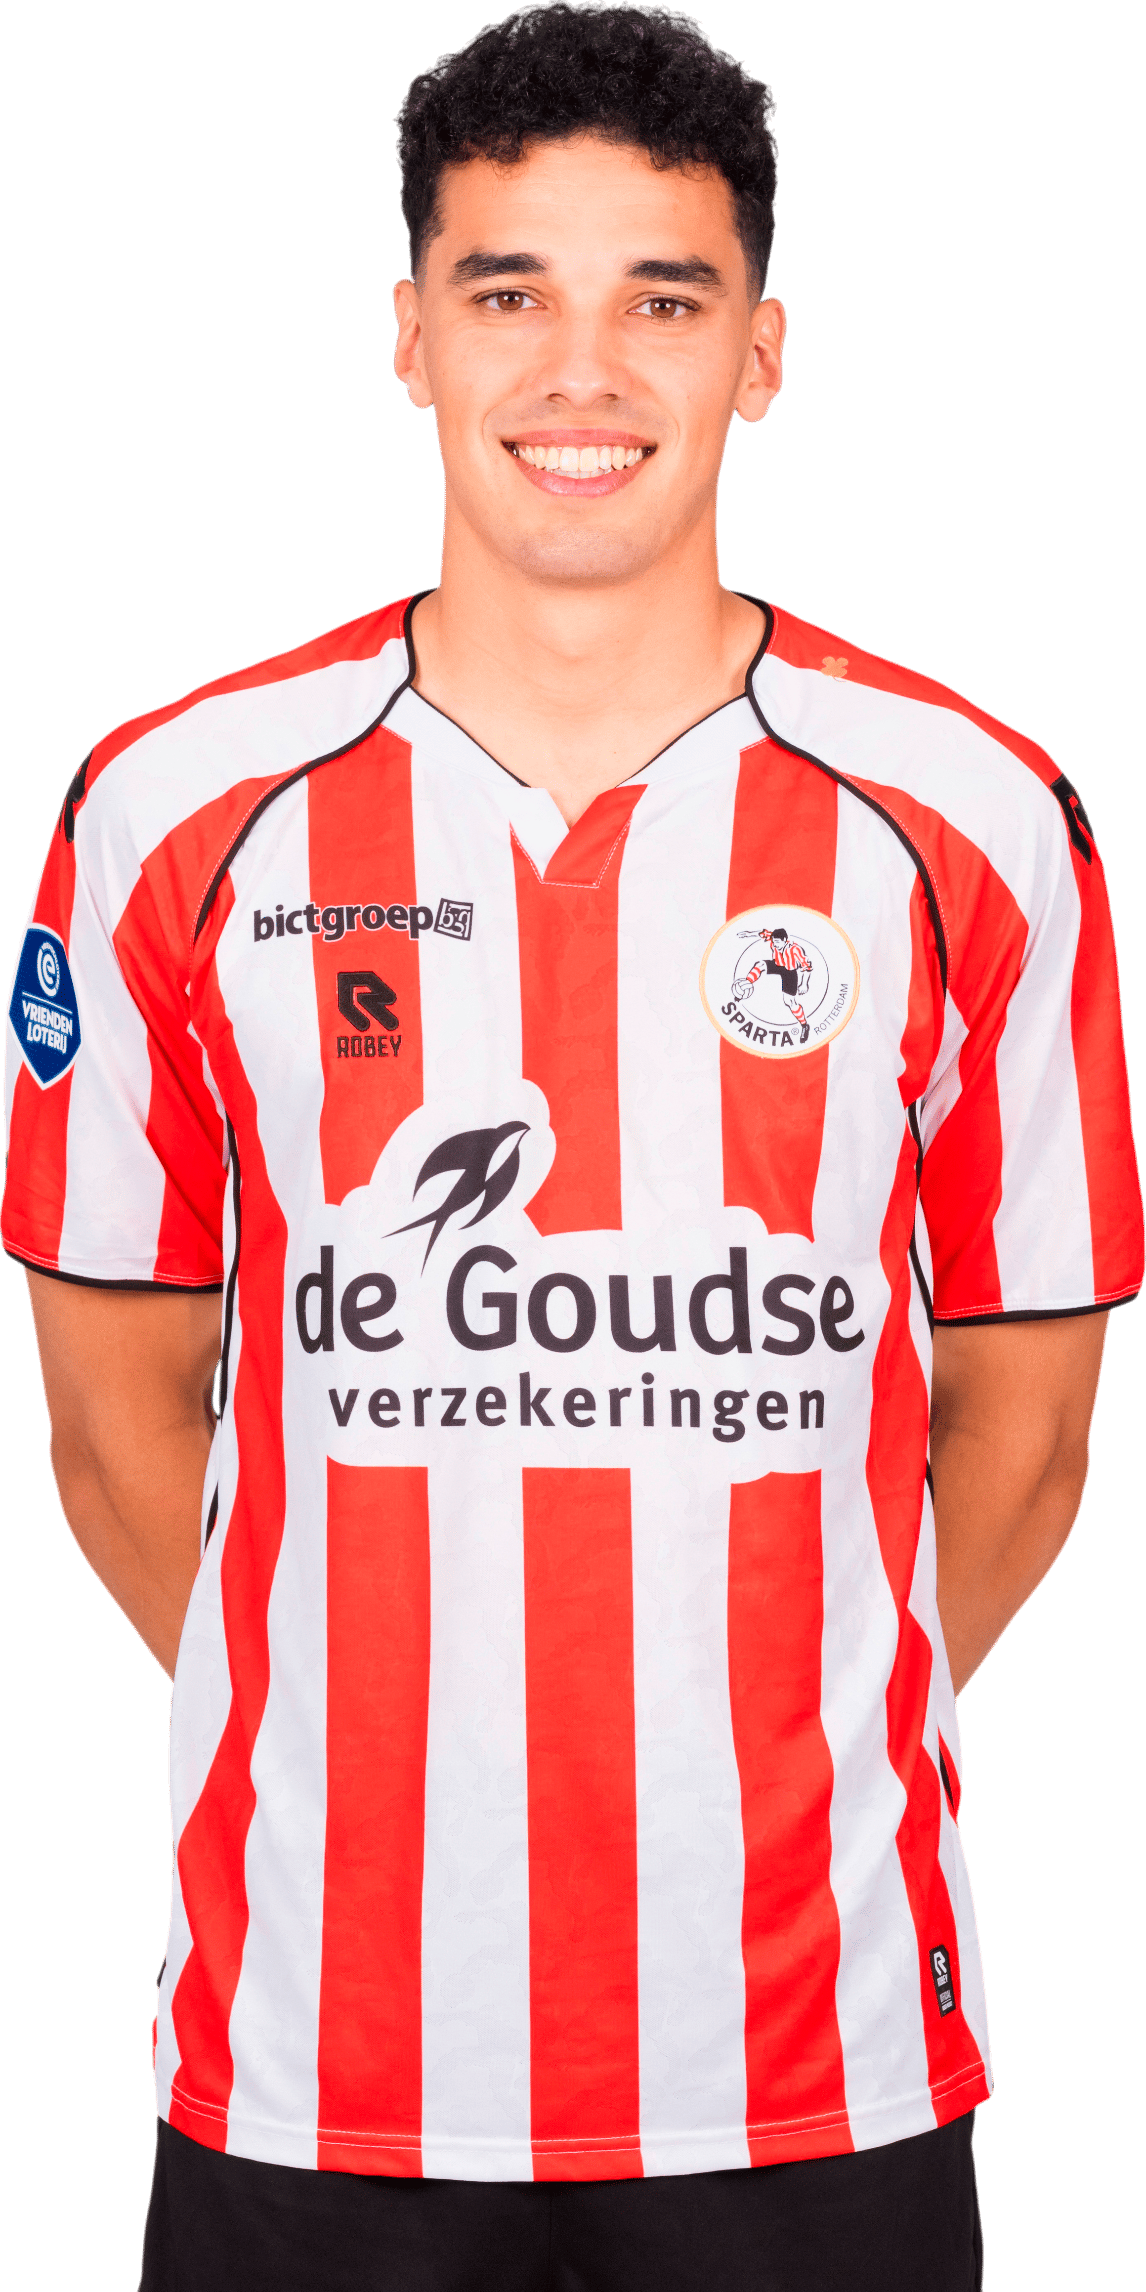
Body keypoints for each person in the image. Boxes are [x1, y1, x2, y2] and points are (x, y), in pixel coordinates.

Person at [4, 7, 1140, 2288]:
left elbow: (1019, 1442)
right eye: (510, 292)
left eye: (664, 300)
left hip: (816, 2046)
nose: (581, 371)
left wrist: (774, 1743)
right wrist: (345, 1739)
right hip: (317, 2046)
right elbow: (119, 1429)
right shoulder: (172, 808)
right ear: (410, 340)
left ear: (763, 358)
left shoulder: (973, 817)